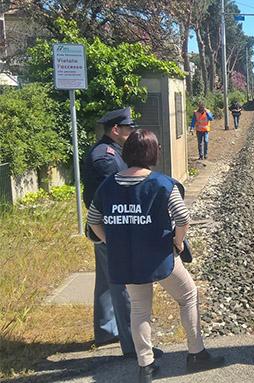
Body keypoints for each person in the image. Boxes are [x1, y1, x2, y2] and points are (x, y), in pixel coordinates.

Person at [88, 130, 225, 382]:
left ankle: (146, 366)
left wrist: (111, 241)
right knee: (188, 295)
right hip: (159, 257)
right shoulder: (162, 184)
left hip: (127, 259)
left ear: (128, 152)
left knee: (140, 309)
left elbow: (93, 220)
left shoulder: (109, 185)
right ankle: (196, 353)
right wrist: (178, 242)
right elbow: (183, 217)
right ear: (152, 153)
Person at [81, 107, 136, 357]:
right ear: (116, 130)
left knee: (106, 281)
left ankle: (106, 331)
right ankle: (132, 343)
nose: (131, 131)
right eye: (128, 128)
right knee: (120, 283)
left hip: (103, 227)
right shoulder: (105, 157)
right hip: (110, 229)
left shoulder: (107, 152)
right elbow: (111, 197)